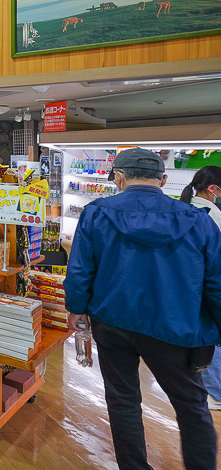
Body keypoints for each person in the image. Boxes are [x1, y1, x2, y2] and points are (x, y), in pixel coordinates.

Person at [66, 148, 221, 470]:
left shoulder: (96, 212)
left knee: (123, 401)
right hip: (176, 327)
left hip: (112, 320)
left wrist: (76, 309)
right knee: (192, 405)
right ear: (163, 180)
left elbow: (80, 270)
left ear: (118, 178)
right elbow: (216, 282)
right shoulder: (198, 220)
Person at [181, 166, 221, 410]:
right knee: (213, 337)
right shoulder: (211, 215)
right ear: (212, 189)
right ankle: (215, 392)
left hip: (189, 285)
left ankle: (209, 387)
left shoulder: (185, 208)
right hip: (209, 284)